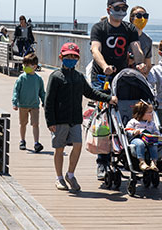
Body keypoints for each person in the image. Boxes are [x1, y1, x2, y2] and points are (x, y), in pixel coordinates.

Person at [45, 42, 118, 192]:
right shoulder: (56, 77)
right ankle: (59, 178)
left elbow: (90, 93)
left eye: (74, 56)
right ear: (61, 57)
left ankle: (70, 174)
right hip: (59, 120)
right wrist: (50, 121)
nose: (71, 59)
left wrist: (108, 98)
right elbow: (49, 101)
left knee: (77, 146)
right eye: (67, 56)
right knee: (59, 149)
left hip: (75, 119)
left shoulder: (79, 77)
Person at [90, 0, 145, 180]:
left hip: (120, 76)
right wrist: (104, 65)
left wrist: (140, 62)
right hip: (101, 76)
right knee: (105, 118)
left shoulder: (128, 28)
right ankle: (102, 162)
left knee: (124, 112)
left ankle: (128, 153)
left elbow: (135, 47)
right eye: (118, 8)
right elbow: (95, 49)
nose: (121, 12)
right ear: (109, 9)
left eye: (124, 9)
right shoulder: (99, 28)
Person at [12, 53, 45, 153]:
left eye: (27, 65)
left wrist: (44, 101)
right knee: (23, 124)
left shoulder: (38, 79)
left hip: (34, 105)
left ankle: (36, 143)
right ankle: (22, 140)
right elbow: (16, 90)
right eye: (24, 65)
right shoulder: (21, 78)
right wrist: (15, 102)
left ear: (34, 66)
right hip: (23, 105)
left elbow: (42, 92)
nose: (25, 67)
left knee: (35, 124)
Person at [125, 101, 160, 171]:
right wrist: (133, 132)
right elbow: (127, 130)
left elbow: (156, 130)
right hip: (136, 138)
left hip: (149, 139)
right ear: (141, 113)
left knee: (154, 144)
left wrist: (156, 133)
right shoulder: (133, 121)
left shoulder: (151, 123)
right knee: (140, 143)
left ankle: (154, 162)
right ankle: (142, 162)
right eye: (149, 112)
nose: (151, 114)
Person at [129, 6, 153, 75]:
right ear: (131, 18)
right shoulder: (124, 36)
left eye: (145, 16)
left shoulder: (148, 40)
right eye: (139, 16)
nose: (143, 19)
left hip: (138, 78)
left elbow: (148, 64)